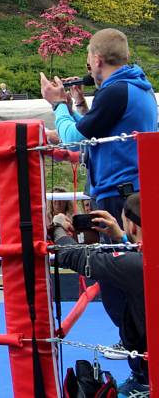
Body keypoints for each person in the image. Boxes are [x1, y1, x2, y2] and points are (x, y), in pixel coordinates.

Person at [41, 27, 157, 335]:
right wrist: (78, 107)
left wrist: (57, 105)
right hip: (130, 191)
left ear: (96, 58)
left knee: (119, 282)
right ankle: (140, 355)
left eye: (89, 60)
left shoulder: (117, 90)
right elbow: (99, 131)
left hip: (119, 195)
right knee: (131, 279)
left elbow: (75, 139)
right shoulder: (136, 86)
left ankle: (139, 356)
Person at [50, 193, 147, 397]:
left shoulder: (136, 266)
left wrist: (58, 226)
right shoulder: (142, 260)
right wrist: (120, 236)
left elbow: (71, 256)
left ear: (133, 227)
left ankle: (143, 381)